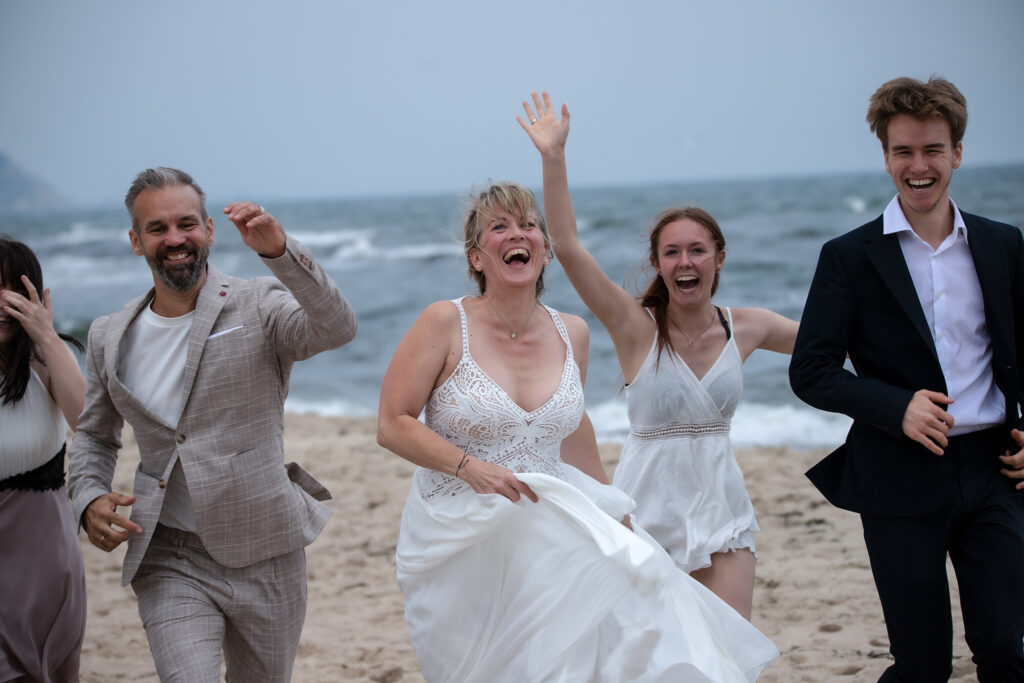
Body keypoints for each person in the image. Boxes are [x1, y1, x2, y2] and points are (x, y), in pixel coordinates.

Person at [376, 181, 777, 682]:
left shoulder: (573, 332)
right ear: (477, 257)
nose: (516, 234)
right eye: (498, 227)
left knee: (579, 658)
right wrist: (470, 467)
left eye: (528, 225)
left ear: (544, 251)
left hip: (549, 522)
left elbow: (574, 429)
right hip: (456, 533)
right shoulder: (442, 322)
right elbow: (392, 424)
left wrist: (616, 514)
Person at [67, 167, 357, 682]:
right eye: (157, 229)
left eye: (186, 224)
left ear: (209, 231)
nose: (175, 239)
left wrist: (280, 253)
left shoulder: (260, 303)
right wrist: (88, 496)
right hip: (169, 555)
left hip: (267, 547)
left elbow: (336, 328)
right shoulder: (108, 336)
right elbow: (93, 433)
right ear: (136, 242)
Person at [518, 92, 798, 619]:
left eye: (697, 250)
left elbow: (832, 345)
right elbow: (568, 245)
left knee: (727, 658)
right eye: (672, 252)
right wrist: (553, 158)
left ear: (718, 258)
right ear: (658, 264)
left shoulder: (751, 326)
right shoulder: (634, 328)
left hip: (723, 511)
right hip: (644, 512)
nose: (685, 261)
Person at [789, 76, 1024, 680]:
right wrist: (896, 407)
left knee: (1004, 648)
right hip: (897, 472)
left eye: (932, 151)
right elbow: (811, 370)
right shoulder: (849, 256)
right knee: (921, 664)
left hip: (995, 472)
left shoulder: (1003, 245)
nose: (918, 167)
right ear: (886, 156)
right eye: (903, 152)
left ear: (957, 154)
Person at [0, 236, 87, 682]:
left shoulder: (45, 361)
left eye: (12, 290)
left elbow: (88, 422)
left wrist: (48, 336)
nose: (2, 304)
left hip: (43, 563)